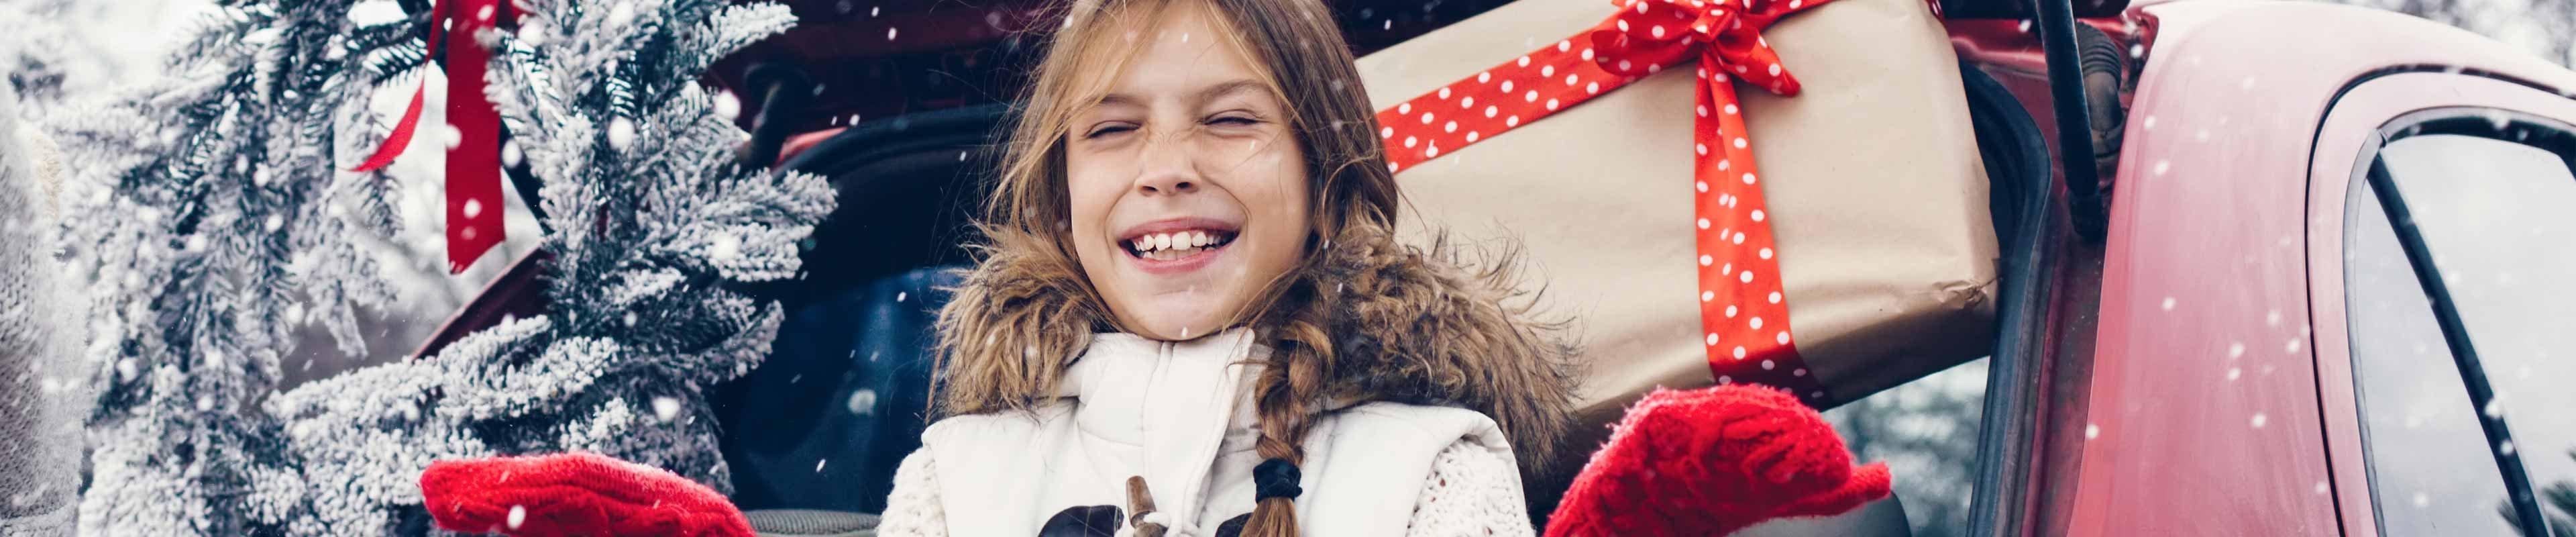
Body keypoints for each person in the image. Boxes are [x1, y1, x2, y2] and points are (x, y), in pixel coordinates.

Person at [869, 0, 1580, 533]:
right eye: (1113, 129)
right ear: (1063, 202)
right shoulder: (954, 483)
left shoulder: (1434, 473)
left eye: (1230, 119)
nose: (1167, 168)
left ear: (1323, 183)